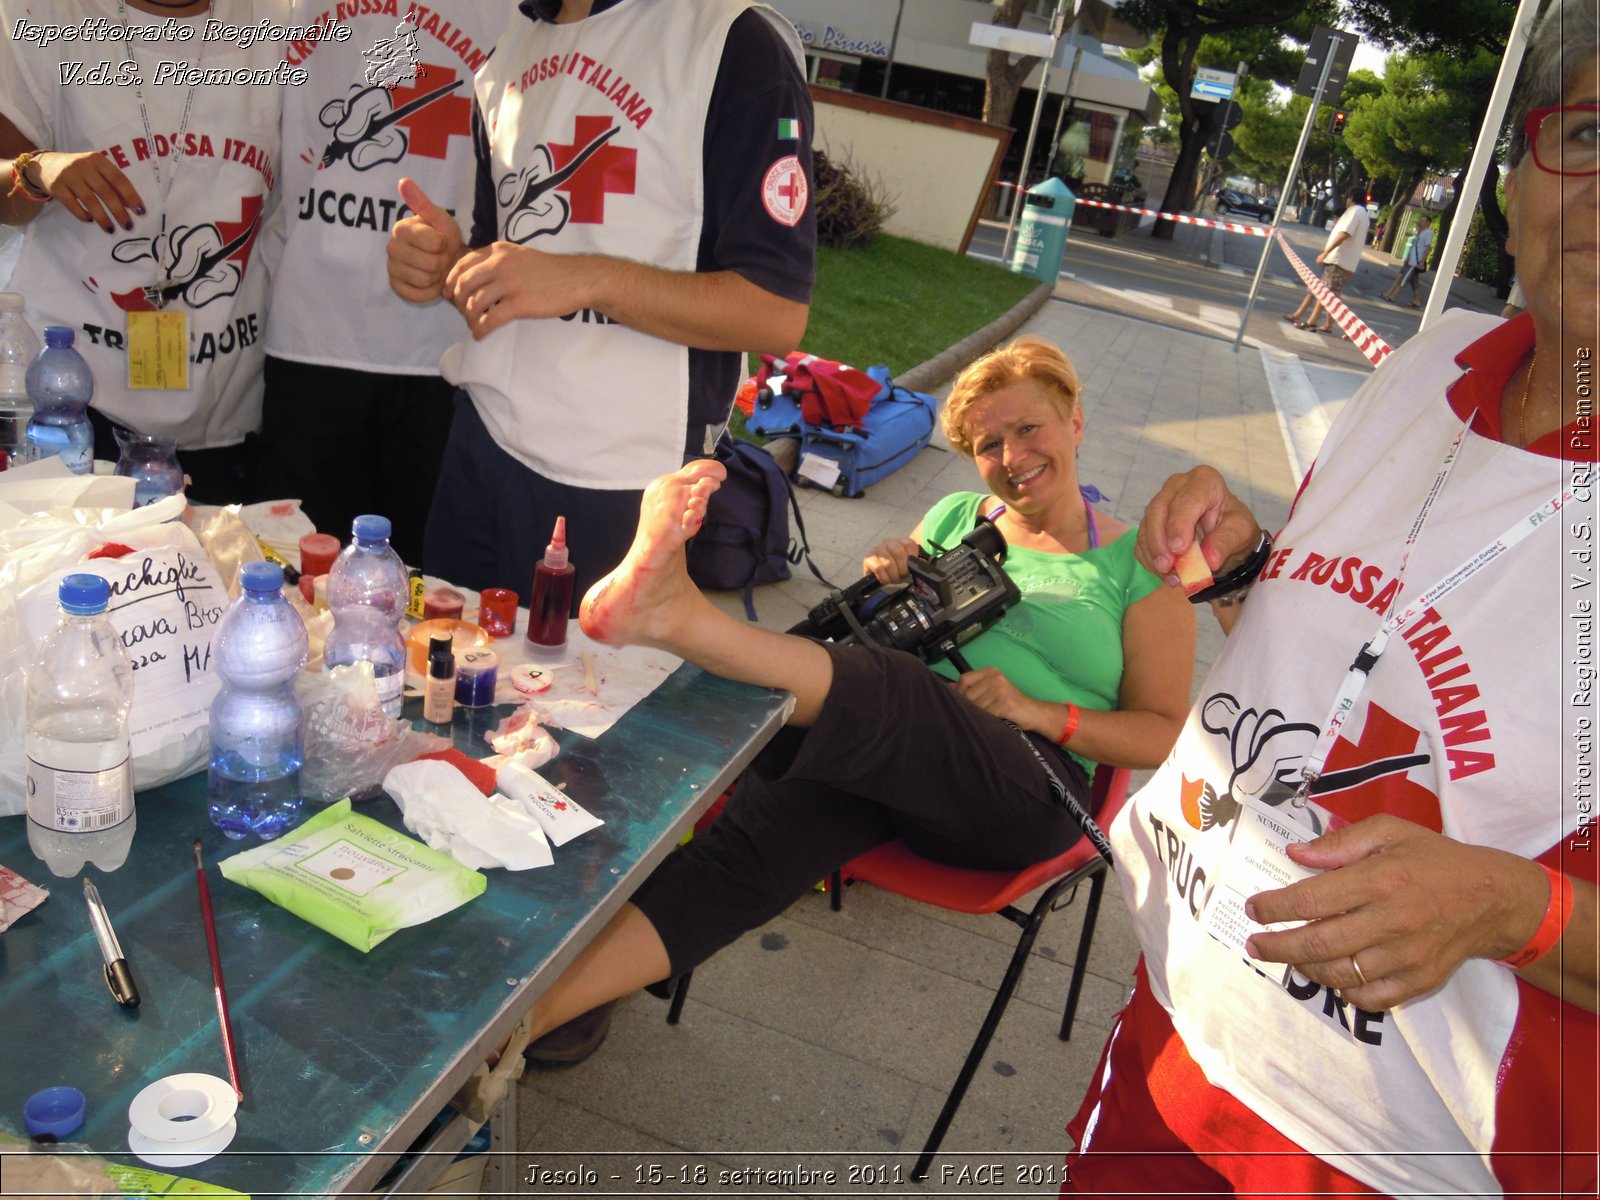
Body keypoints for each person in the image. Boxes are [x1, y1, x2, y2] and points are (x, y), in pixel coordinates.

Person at [1068, 5, 1598, 1194]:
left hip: (1406, 1161)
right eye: (1592, 134)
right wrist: (1248, 569)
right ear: (1517, 176)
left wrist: (1515, 907)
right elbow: (1343, 673)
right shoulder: (1422, 370)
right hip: (1184, 1038)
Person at [524, 336, 1196, 1066]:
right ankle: (524, 1022)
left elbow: (1161, 734)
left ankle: (675, 617)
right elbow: (875, 632)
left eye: (1028, 429)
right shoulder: (955, 516)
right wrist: (886, 575)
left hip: (1024, 788)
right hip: (890, 755)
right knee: (754, 841)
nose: (1010, 457)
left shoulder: (1141, 567)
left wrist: (1040, 713)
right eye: (987, 444)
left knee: (889, 688)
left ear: (1075, 422)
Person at [386, 0, 815, 601]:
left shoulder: (733, 41)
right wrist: (449, 263)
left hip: (625, 478)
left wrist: (586, 278)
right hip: (481, 439)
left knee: (575, 696)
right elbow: (508, 267)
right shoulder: (513, 42)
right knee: (445, 679)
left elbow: (774, 312)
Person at [0, 0, 287, 504]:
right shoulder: (43, 14)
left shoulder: (280, 23)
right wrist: (37, 169)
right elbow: (7, 197)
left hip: (228, 411)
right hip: (72, 408)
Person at [256, 1, 506, 565]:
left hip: (445, 351)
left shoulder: (516, 13)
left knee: (425, 583)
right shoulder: (288, 9)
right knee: (300, 575)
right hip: (310, 338)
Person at [1283, 188, 1371, 335]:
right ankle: (1320, 322)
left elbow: (1344, 234)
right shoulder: (1364, 215)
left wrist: (1325, 252)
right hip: (1344, 262)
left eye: (1348, 198)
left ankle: (1312, 321)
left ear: (1351, 198)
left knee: (1325, 293)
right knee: (1327, 293)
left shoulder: (1354, 212)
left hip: (1338, 259)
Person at [1380, 213, 1434, 307]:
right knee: (1413, 281)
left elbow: (1428, 248)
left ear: (1428, 223)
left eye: (1423, 221)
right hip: (1411, 260)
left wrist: (1422, 261)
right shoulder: (1421, 232)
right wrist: (1408, 257)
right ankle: (1417, 300)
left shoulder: (1429, 233)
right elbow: (1414, 246)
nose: (1420, 222)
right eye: (1420, 220)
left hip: (1415, 263)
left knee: (1403, 279)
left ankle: (1392, 296)